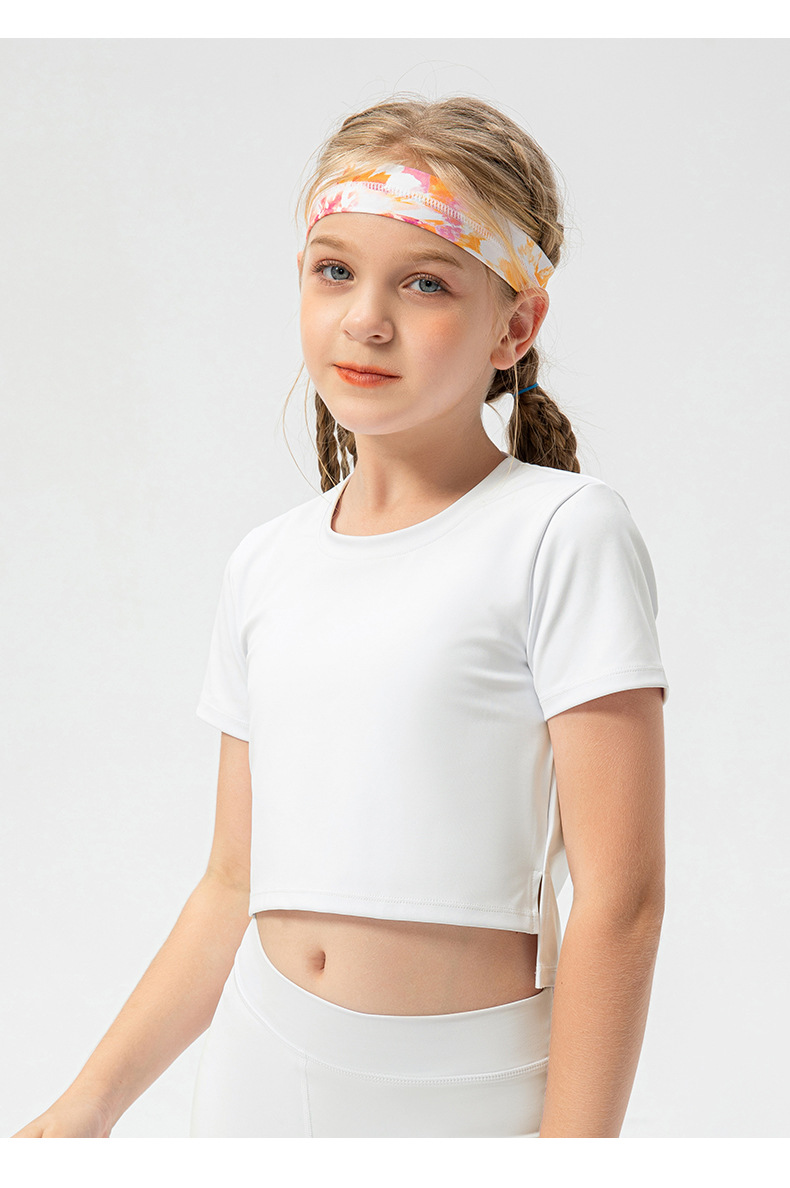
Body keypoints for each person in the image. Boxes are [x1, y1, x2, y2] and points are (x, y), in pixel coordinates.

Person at [13, 95, 668, 1139]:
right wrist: (85, 1108)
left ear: (515, 326)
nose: (367, 318)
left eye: (425, 281)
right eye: (334, 271)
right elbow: (231, 882)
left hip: (467, 1089)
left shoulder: (561, 532)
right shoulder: (265, 563)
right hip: (258, 1075)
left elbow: (622, 902)